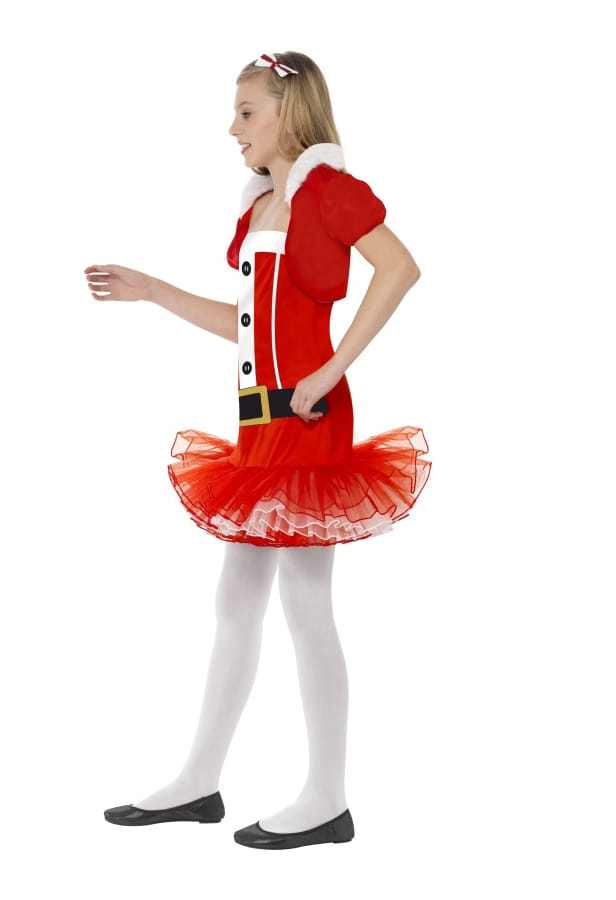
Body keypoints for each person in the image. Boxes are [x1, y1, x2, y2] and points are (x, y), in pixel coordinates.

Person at [86, 51, 431, 850]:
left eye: (246, 112)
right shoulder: (262, 209)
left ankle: (327, 798)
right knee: (237, 600)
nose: (232, 128)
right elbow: (244, 326)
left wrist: (332, 368)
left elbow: (401, 268)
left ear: (289, 112)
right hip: (257, 426)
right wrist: (153, 292)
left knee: (305, 604)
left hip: (308, 421)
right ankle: (198, 782)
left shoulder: (328, 192)